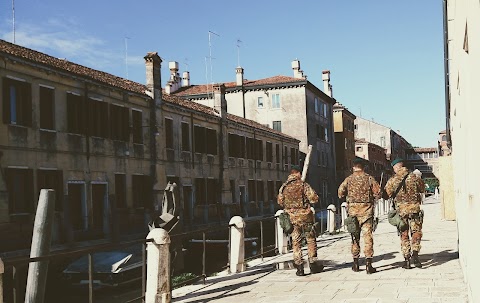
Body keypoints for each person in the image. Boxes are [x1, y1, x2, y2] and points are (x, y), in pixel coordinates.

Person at [338, 158, 381, 274]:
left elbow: (340, 193)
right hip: (366, 212)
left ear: (353, 167)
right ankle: (368, 264)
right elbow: (378, 193)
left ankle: (356, 263)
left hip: (353, 213)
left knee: (354, 238)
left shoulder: (348, 179)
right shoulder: (369, 178)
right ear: (363, 167)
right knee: (368, 238)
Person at [278, 165, 321, 276]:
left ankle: (299, 267)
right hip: (305, 217)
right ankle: (312, 264)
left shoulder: (284, 187)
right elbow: (314, 198)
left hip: (291, 218)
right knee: (310, 239)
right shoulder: (303, 185)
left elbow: (280, 202)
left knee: (296, 242)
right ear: (298, 173)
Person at [385, 158, 425, 269]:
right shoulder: (415, 177)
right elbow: (422, 189)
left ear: (396, 167)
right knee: (416, 232)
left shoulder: (393, 179)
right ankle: (416, 255)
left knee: (404, 234)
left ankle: (407, 259)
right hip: (415, 211)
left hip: (401, 212)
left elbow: (386, 194)